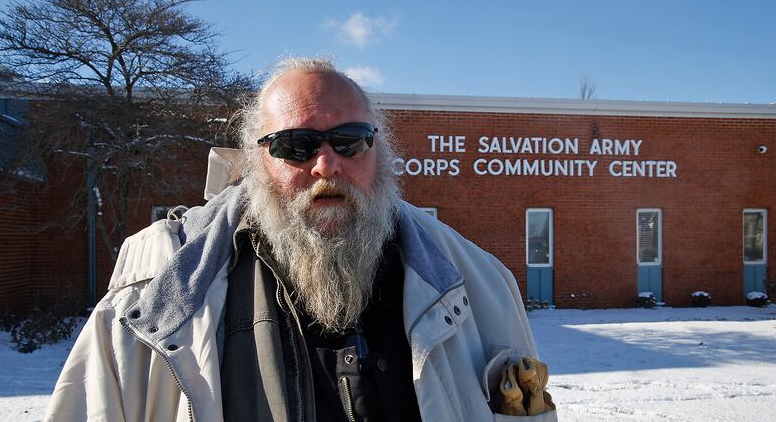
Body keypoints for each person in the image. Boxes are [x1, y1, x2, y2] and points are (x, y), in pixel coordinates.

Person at [45, 57, 557, 421]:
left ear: (378, 153)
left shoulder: (477, 282)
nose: (326, 164)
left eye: (350, 140)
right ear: (256, 161)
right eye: (296, 145)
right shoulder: (154, 293)